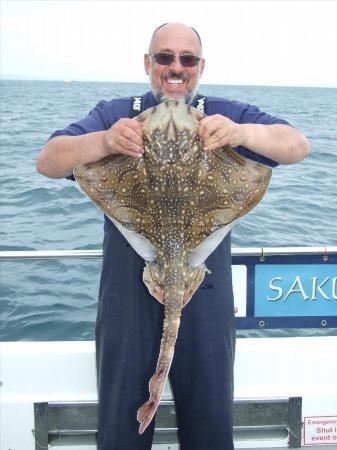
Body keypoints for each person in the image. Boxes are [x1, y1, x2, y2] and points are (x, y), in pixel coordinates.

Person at [37, 22, 310, 450]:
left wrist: (239, 134)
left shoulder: (225, 111)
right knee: (121, 422)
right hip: (127, 287)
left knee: (210, 417)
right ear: (148, 63)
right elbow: (49, 161)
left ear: (200, 66)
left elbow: (297, 145)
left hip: (205, 279)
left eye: (187, 59)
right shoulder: (116, 113)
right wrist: (106, 140)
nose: (176, 67)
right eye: (164, 57)